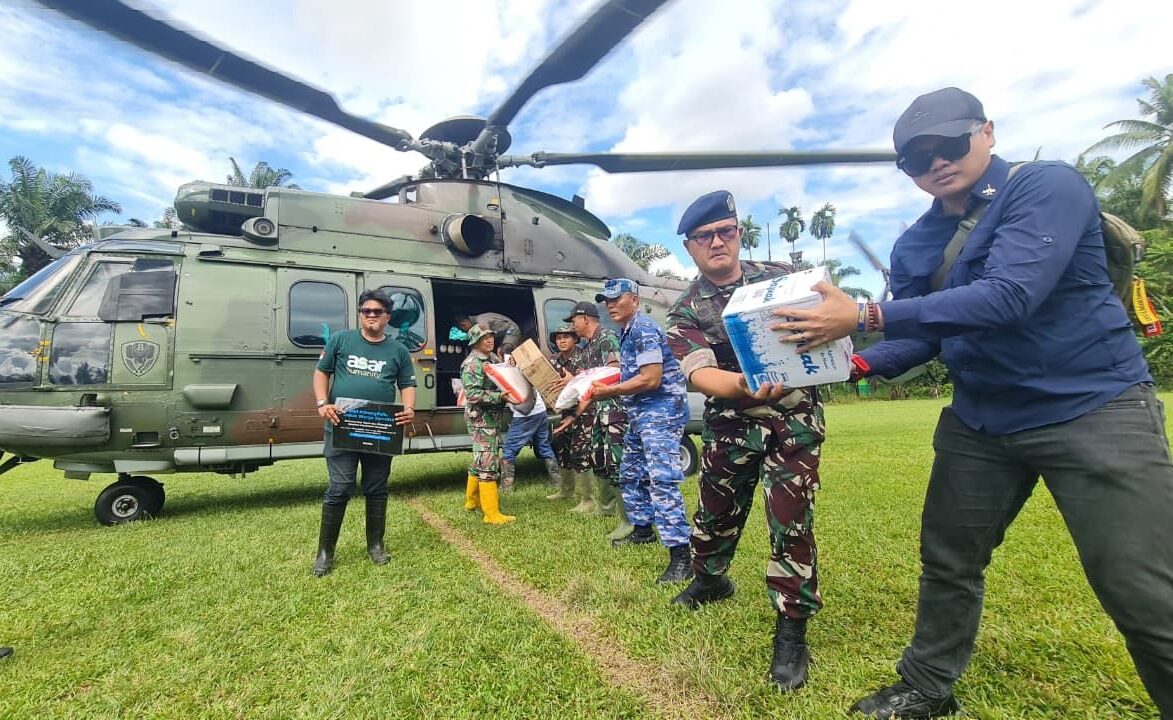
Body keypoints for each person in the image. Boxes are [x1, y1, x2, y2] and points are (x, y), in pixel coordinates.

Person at [780, 87, 1173, 718]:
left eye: (949, 144)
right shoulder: (914, 244)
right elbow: (916, 341)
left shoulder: (1046, 187)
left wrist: (866, 314)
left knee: (1143, 589)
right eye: (915, 159)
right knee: (948, 560)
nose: (935, 162)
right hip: (983, 421)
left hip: (1093, 407)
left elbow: (1010, 294)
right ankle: (928, 687)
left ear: (986, 131)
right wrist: (842, 363)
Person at [664, 190, 825, 692]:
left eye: (726, 231)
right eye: (705, 237)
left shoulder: (782, 279)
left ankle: (791, 629)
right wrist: (742, 385)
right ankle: (711, 579)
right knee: (714, 514)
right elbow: (699, 373)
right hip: (731, 421)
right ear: (690, 247)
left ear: (739, 232)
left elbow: (826, 319)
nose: (718, 242)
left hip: (793, 419)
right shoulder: (686, 310)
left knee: (790, 521)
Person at [583, 278, 691, 585]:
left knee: (662, 481)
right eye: (606, 301)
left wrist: (610, 390)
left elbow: (651, 379)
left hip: (661, 413)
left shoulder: (643, 329)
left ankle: (682, 557)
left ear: (635, 299)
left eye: (617, 299)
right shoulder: (627, 331)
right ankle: (643, 530)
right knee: (630, 472)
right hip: (641, 414)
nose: (610, 305)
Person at [312, 290, 417, 577]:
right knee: (340, 487)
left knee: (376, 488)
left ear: (388, 317)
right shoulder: (341, 340)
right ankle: (325, 553)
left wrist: (409, 408)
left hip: (380, 429)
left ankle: (376, 546)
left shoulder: (398, 351)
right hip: (342, 427)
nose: (371, 315)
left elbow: (407, 383)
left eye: (377, 311)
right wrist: (323, 403)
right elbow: (321, 372)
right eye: (366, 311)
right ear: (360, 313)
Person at [556, 301, 629, 538]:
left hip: (615, 409)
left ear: (585, 318)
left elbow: (615, 371)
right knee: (600, 459)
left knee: (617, 462)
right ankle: (605, 508)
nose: (572, 326)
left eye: (573, 321)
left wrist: (579, 380)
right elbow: (590, 388)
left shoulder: (606, 337)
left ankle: (628, 521)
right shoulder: (588, 347)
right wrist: (575, 416)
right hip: (598, 410)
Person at [460, 324, 515, 524]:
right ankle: (491, 514)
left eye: (491, 337)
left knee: (480, 459)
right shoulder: (472, 364)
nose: (490, 340)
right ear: (475, 342)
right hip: (480, 418)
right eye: (485, 338)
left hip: (491, 418)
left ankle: (472, 501)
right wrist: (500, 396)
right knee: (488, 461)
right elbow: (473, 395)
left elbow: (504, 376)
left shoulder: (492, 359)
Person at [499, 372, 561, 494]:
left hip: (525, 414)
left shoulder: (506, 369)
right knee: (543, 445)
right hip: (540, 410)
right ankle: (557, 482)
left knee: (509, 449)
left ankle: (506, 488)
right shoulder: (519, 365)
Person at [547, 323, 589, 502]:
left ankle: (587, 498)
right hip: (564, 411)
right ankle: (566, 491)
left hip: (584, 410)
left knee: (580, 452)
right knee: (563, 450)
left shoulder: (584, 357)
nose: (562, 340)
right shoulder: (554, 360)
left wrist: (573, 381)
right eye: (558, 337)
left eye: (566, 337)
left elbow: (590, 383)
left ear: (575, 339)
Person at [456, 312, 523, 354]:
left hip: (511, 331)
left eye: (463, 330)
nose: (465, 331)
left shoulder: (481, 321)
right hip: (503, 335)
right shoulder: (477, 323)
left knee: (505, 349)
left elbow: (487, 336)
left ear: (464, 324)